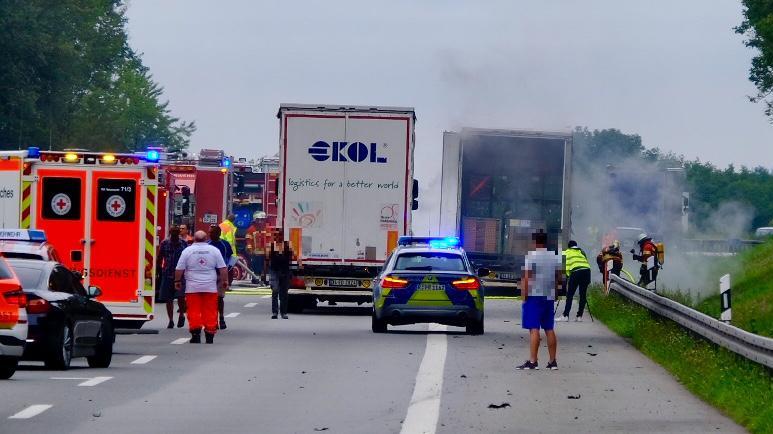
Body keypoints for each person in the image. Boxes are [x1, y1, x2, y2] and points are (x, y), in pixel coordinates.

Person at [516, 231, 562, 371]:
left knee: (534, 328)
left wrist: (523, 296)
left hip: (534, 296)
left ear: (535, 242)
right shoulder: (554, 257)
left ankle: (533, 361)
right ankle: (553, 361)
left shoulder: (531, 257)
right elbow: (558, 277)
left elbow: (526, 278)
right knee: (549, 328)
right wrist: (556, 293)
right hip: (549, 296)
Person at [174, 230, 228, 344]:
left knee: (193, 311)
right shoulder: (214, 250)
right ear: (205, 238)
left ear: (194, 238)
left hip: (192, 288)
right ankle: (209, 334)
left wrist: (177, 281)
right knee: (210, 311)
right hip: (210, 287)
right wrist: (225, 281)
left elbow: (179, 268)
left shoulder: (187, 251)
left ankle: (195, 333)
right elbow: (223, 268)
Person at [157, 225, 188, 329]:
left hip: (181, 275)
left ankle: (181, 315)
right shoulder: (164, 243)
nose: (174, 235)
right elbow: (160, 257)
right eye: (172, 233)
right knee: (168, 299)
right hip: (167, 274)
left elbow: (187, 258)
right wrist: (158, 271)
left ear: (178, 233)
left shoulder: (184, 244)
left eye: (176, 233)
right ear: (170, 233)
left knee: (181, 297)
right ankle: (170, 320)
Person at [557, 240, 591, 322]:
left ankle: (565, 315)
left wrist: (565, 276)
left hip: (576, 272)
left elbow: (563, 265)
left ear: (569, 246)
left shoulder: (566, 252)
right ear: (576, 246)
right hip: (587, 271)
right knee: (582, 295)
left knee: (570, 295)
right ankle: (579, 316)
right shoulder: (581, 252)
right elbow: (585, 261)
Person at [209, 225, 233, 330]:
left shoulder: (225, 245)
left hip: (221, 274)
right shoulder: (207, 245)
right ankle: (213, 320)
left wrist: (228, 274)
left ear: (218, 234)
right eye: (209, 233)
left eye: (212, 233)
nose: (210, 235)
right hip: (209, 275)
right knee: (210, 299)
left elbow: (230, 258)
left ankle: (221, 318)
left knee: (219, 298)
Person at [269, 240, 292, 319]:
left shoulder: (287, 246)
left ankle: (283, 312)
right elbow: (268, 258)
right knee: (275, 291)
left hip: (284, 271)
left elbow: (290, 258)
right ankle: (275, 312)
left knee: (284, 293)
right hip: (274, 270)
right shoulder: (272, 246)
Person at [245, 212, 270, 285]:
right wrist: (249, 247)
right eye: (258, 220)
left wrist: (269, 249)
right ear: (255, 220)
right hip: (255, 252)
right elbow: (248, 239)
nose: (260, 221)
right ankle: (255, 279)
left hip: (265, 252)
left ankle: (265, 279)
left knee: (265, 267)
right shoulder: (251, 229)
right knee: (256, 266)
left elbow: (269, 239)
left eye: (262, 220)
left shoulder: (267, 228)